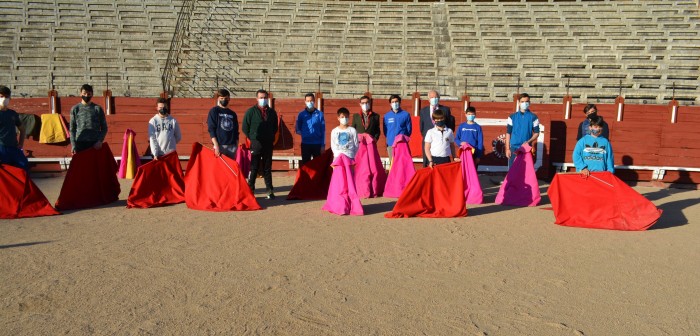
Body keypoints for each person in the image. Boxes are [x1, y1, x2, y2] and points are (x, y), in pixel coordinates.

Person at [242, 89, 278, 199]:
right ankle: (250, 189)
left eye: (264, 97)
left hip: (267, 143)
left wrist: (270, 136)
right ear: (256, 98)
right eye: (261, 98)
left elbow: (275, 127)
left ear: (267, 98)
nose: (263, 99)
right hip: (256, 142)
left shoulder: (272, 112)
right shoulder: (250, 112)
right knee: (254, 167)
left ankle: (269, 191)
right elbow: (245, 127)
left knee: (267, 167)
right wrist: (253, 138)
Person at [69, 84, 108, 154]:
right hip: (79, 144)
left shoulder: (97, 109)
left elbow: (104, 128)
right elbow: (72, 129)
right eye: (84, 93)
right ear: (80, 94)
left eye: (89, 94)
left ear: (92, 94)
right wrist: (73, 145)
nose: (86, 95)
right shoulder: (75, 109)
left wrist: (100, 141)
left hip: (94, 144)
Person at [419, 90, 453, 167]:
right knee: (427, 163)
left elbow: (449, 125)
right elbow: (422, 127)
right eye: (432, 97)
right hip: (429, 141)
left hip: (442, 141)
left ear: (439, 98)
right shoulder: (423, 111)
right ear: (428, 99)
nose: (434, 99)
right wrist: (429, 137)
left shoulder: (445, 110)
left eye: (436, 97)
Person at [505, 93, 540, 168]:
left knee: (525, 172)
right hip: (514, 147)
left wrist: (528, 141)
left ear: (529, 103)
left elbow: (537, 133)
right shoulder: (512, 117)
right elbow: (508, 133)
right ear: (519, 103)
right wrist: (507, 148)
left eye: (526, 102)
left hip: (526, 148)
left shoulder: (534, 117)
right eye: (522, 101)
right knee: (512, 172)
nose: (524, 103)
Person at [0, 85, 28, 170]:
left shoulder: (13, 114)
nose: (4, 99)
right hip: (1, 148)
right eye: (1, 96)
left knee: (23, 168)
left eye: (6, 97)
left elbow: (22, 129)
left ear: (10, 98)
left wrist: (20, 144)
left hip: (14, 147)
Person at [295, 92, 325, 166]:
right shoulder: (301, 114)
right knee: (306, 165)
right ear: (305, 102)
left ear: (314, 101)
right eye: (308, 101)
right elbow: (297, 128)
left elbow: (323, 130)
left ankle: (316, 178)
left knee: (317, 165)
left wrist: (323, 145)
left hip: (317, 144)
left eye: (311, 101)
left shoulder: (320, 114)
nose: (309, 102)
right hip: (306, 144)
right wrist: (305, 134)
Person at [207, 88, 239, 159]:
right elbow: (211, 129)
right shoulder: (214, 111)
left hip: (232, 145)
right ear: (218, 99)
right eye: (222, 98)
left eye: (226, 98)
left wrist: (236, 144)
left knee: (230, 168)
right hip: (220, 144)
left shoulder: (232, 113)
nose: (224, 100)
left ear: (229, 99)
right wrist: (216, 145)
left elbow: (236, 130)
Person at [382, 94, 412, 163]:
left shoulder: (406, 114)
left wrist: (402, 138)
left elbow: (409, 130)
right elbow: (385, 130)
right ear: (390, 104)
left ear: (400, 102)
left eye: (396, 101)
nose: (395, 103)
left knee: (402, 163)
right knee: (392, 164)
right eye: (393, 102)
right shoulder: (387, 116)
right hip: (391, 144)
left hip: (401, 143)